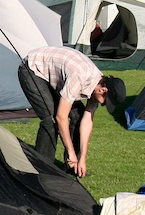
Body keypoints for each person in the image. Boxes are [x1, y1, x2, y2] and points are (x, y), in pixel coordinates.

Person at [18, 46, 126, 178]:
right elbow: (61, 117)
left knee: (79, 115)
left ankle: (73, 166)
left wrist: (82, 158)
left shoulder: (96, 85)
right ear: (103, 90)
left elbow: (86, 123)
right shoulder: (80, 77)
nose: (103, 104)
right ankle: (42, 170)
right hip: (32, 69)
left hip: (54, 74)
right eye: (105, 101)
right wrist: (71, 152)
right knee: (50, 120)